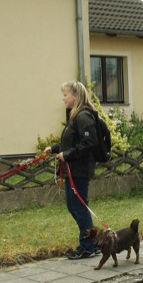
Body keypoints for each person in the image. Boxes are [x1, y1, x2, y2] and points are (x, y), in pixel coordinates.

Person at [43, 81, 100, 259]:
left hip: (79, 170)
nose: (63, 99)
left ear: (75, 96)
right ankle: (92, 241)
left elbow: (89, 142)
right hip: (72, 169)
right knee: (73, 206)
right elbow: (72, 142)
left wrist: (67, 154)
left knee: (79, 207)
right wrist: (55, 148)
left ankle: (88, 246)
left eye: (65, 95)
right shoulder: (75, 116)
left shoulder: (83, 116)